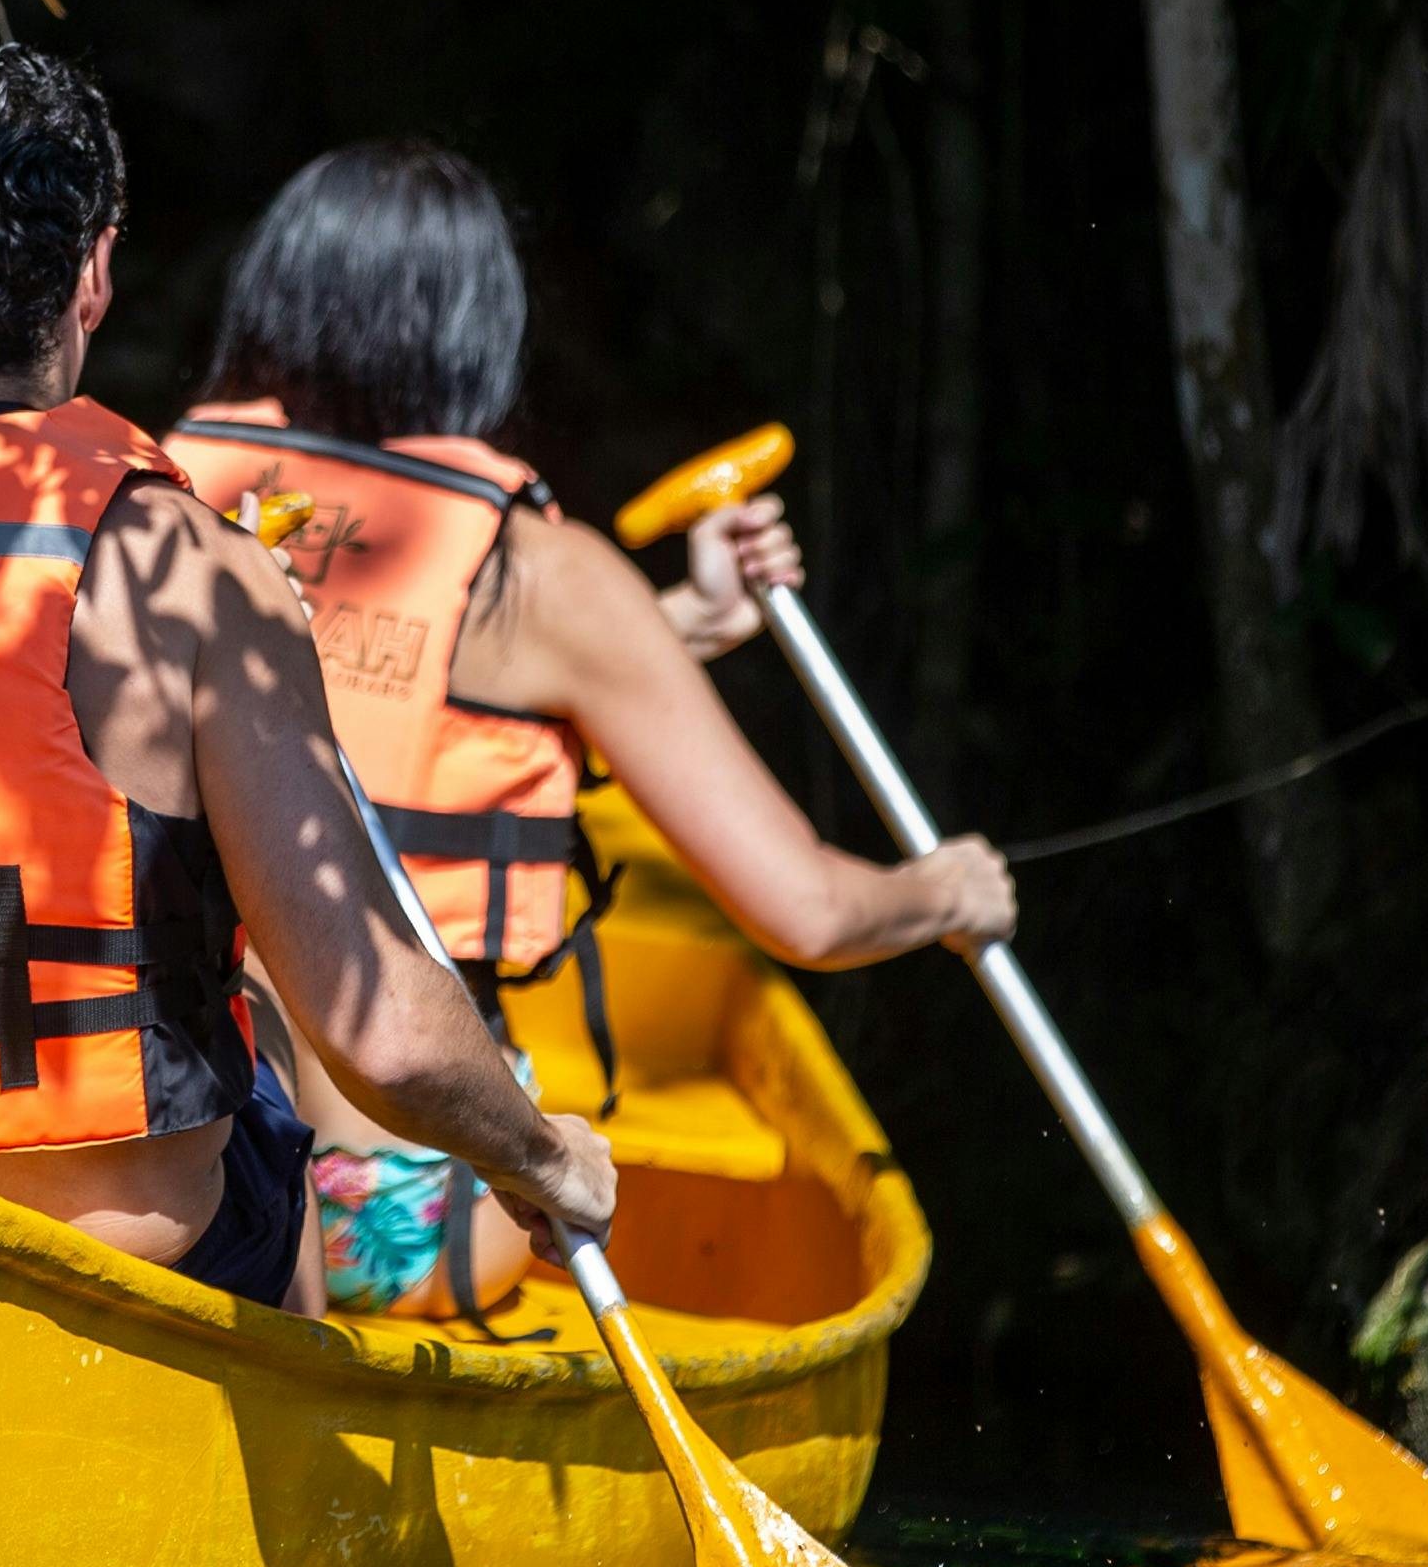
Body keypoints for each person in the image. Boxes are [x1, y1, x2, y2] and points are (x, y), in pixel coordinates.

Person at [0, 52, 614, 1319]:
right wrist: (543, 1158)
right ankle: (293, 1445)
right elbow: (387, 1036)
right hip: (114, 1251)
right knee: (256, 1038)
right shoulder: (184, 566)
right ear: (94, 273)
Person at [167, 141, 1013, 1322]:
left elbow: (344, 681)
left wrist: (678, 625)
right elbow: (809, 914)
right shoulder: (544, 579)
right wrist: (946, 893)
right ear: (481, 330)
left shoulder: (165, 492)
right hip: (386, 1211)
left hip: (162, 1148)